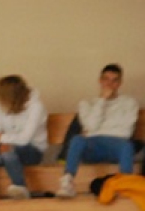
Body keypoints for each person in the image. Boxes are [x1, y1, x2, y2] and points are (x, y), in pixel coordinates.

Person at [58, 64, 140, 198]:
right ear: (100, 81)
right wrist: (102, 101)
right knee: (77, 139)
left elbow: (126, 132)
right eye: (106, 79)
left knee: (127, 145)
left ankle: (125, 185)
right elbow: (91, 126)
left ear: (120, 83)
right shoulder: (86, 103)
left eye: (114, 80)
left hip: (116, 146)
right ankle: (67, 182)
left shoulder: (129, 103)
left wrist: (95, 130)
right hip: (93, 147)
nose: (110, 84)